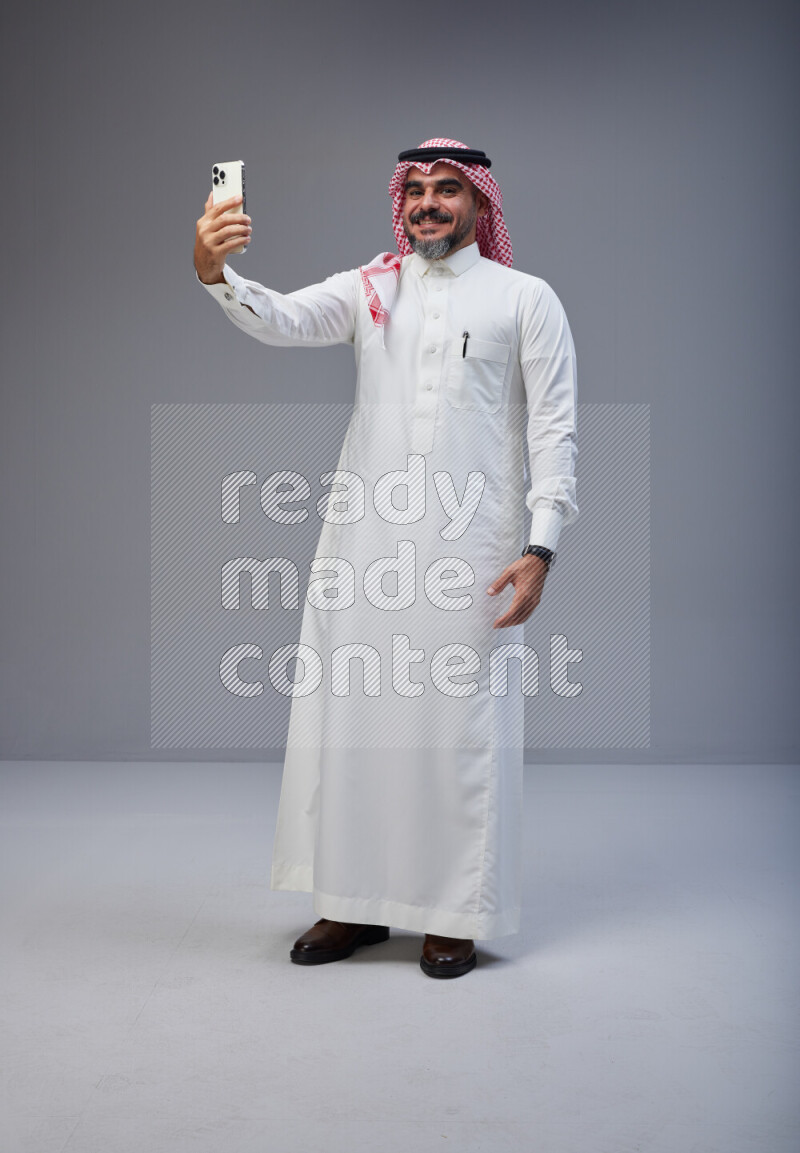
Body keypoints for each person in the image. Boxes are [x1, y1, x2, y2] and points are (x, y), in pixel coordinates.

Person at [194, 138, 578, 979]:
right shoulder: (372, 288)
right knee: (352, 725)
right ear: (399, 203)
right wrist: (215, 274)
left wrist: (539, 547)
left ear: (481, 204)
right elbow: (286, 317)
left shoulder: (526, 298)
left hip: (471, 552)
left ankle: (452, 913)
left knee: (455, 732)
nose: (430, 204)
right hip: (364, 545)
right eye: (417, 191)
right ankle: (350, 903)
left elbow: (554, 432)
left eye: (449, 190)